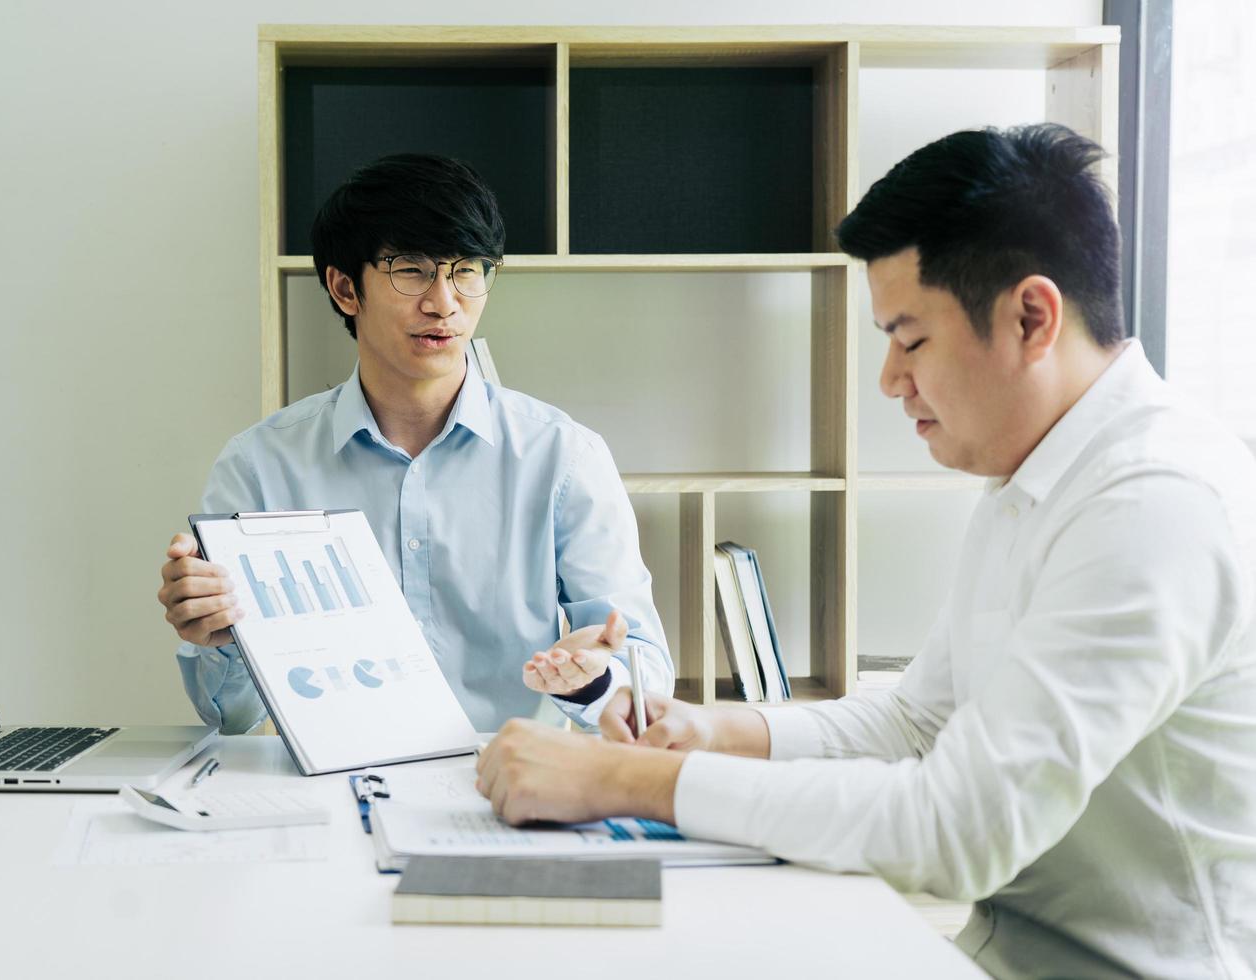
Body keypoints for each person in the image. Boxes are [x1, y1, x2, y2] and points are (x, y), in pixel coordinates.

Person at [476, 124, 1256, 978]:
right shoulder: (1036, 479)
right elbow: (915, 722)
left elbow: (960, 831)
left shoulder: (1154, 506)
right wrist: (709, 730)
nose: (889, 378)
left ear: (1032, 316)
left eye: (910, 338)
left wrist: (618, 782)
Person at [156, 153, 671, 735]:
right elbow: (230, 717)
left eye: (467, 270)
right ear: (346, 289)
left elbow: (646, 676)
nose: (445, 302)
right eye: (412, 270)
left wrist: (593, 676)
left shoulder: (564, 459)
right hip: (335, 788)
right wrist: (217, 638)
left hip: (511, 785)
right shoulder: (260, 467)